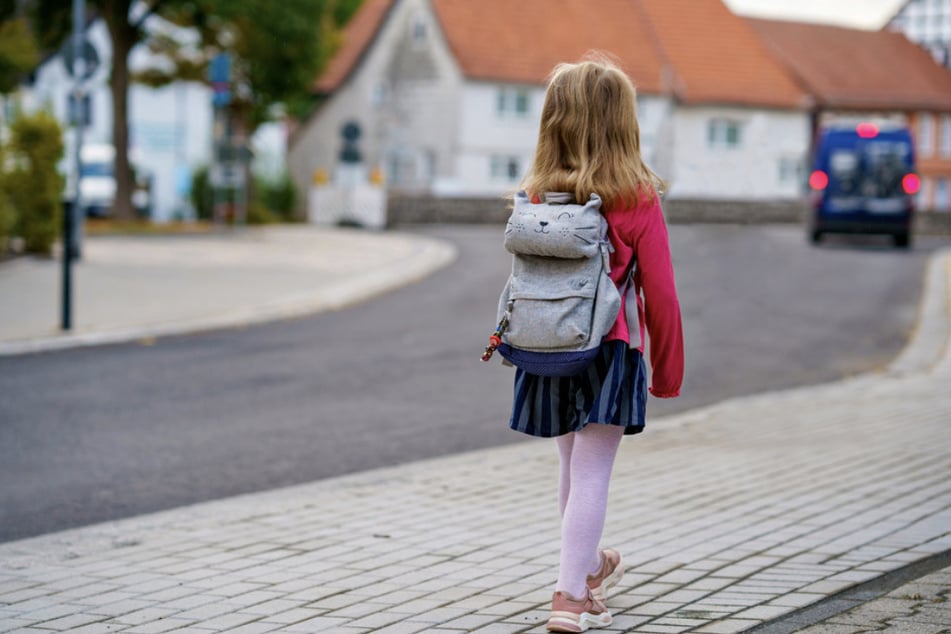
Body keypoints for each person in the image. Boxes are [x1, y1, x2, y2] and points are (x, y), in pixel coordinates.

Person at [508, 54, 685, 633]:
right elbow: (660, 294)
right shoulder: (635, 197)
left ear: (553, 121)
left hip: (548, 349)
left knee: (570, 467)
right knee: (591, 474)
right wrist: (667, 370)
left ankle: (587, 573)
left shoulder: (534, 195)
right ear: (623, 123)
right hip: (610, 351)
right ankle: (569, 597)